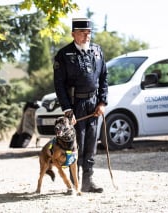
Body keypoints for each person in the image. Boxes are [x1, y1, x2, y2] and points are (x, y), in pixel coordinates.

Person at [53, 18, 108, 193]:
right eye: (82, 33)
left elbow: (104, 78)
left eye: (89, 32)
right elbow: (59, 85)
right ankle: (73, 184)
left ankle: (88, 181)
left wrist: (102, 102)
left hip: (93, 105)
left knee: (91, 143)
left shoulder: (97, 51)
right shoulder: (64, 55)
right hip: (75, 104)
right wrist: (68, 110)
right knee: (76, 145)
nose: (87, 36)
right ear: (73, 34)